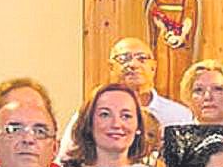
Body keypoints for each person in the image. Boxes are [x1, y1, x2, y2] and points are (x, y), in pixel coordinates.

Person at [60, 37, 194, 158]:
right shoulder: (92, 112)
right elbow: (67, 157)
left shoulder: (179, 115)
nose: (133, 65)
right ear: (111, 67)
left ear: (153, 67)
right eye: (124, 59)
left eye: (142, 59)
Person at [180, 59, 223, 125]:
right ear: (188, 96)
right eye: (199, 90)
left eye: (217, 89)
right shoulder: (176, 133)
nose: (208, 97)